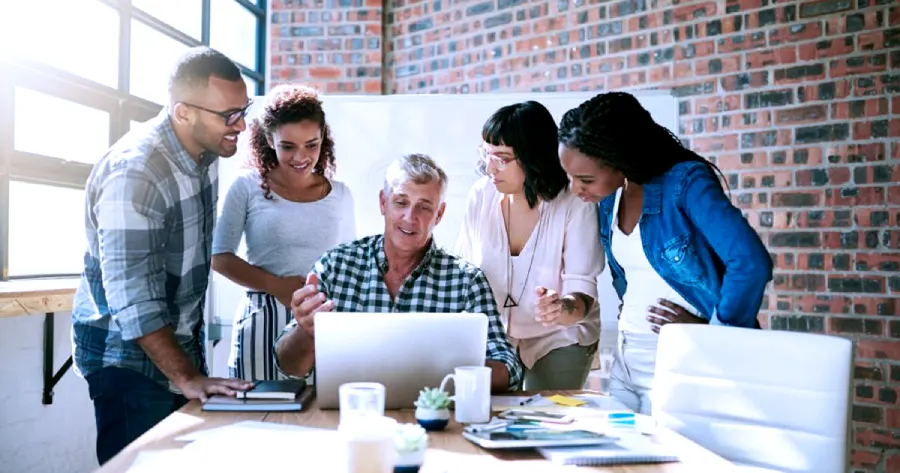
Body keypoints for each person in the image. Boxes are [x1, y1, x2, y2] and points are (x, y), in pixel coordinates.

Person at [71, 47, 254, 465]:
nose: (240, 125)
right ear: (183, 112)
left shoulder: (205, 152)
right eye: (228, 115)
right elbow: (133, 296)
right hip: (127, 361)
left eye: (243, 110)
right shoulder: (136, 171)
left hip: (177, 350)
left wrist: (192, 368)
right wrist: (187, 376)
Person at [557, 91, 773, 414]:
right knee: (618, 461)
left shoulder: (685, 184)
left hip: (681, 363)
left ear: (620, 158)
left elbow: (750, 262)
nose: (575, 188)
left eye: (585, 179)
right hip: (626, 362)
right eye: (570, 177)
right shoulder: (609, 198)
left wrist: (718, 332)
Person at [273, 153, 522, 392]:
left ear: (440, 214)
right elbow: (290, 367)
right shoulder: (335, 267)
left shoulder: (466, 280)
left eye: (424, 207)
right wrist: (305, 330)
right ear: (383, 202)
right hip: (347, 416)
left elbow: (509, 367)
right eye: (401, 202)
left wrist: (447, 373)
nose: (409, 217)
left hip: (437, 420)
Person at [455, 101, 604, 391]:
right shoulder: (481, 195)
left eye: (502, 158)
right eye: (487, 155)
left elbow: (582, 294)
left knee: (547, 417)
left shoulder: (573, 203)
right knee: (486, 414)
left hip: (560, 334)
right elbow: (463, 270)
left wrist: (561, 308)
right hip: (497, 336)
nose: (489, 167)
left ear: (532, 156)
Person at [212, 84, 356, 382]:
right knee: (256, 419)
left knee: (319, 419)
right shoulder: (247, 186)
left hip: (321, 323)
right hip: (263, 316)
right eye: (288, 146)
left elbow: (349, 265)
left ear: (323, 140)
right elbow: (220, 257)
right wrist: (276, 285)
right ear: (269, 139)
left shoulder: (339, 195)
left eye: (311, 144)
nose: (300, 156)